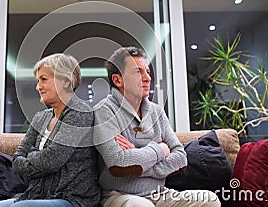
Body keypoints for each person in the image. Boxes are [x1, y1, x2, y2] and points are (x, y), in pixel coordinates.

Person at [93, 46, 220, 207]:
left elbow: (181, 158)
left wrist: (138, 164)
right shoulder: (103, 111)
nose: (147, 78)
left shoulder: (157, 112)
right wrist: (160, 150)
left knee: (209, 199)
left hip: (160, 194)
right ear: (118, 80)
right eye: (138, 72)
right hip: (119, 196)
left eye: (147, 71)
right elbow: (119, 164)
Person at [0, 53, 101, 207]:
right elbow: (17, 161)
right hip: (37, 195)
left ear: (66, 82)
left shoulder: (80, 113)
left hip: (73, 198)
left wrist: (33, 154)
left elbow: (52, 160)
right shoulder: (40, 117)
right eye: (38, 81)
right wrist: (40, 158)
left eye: (44, 79)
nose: (38, 87)